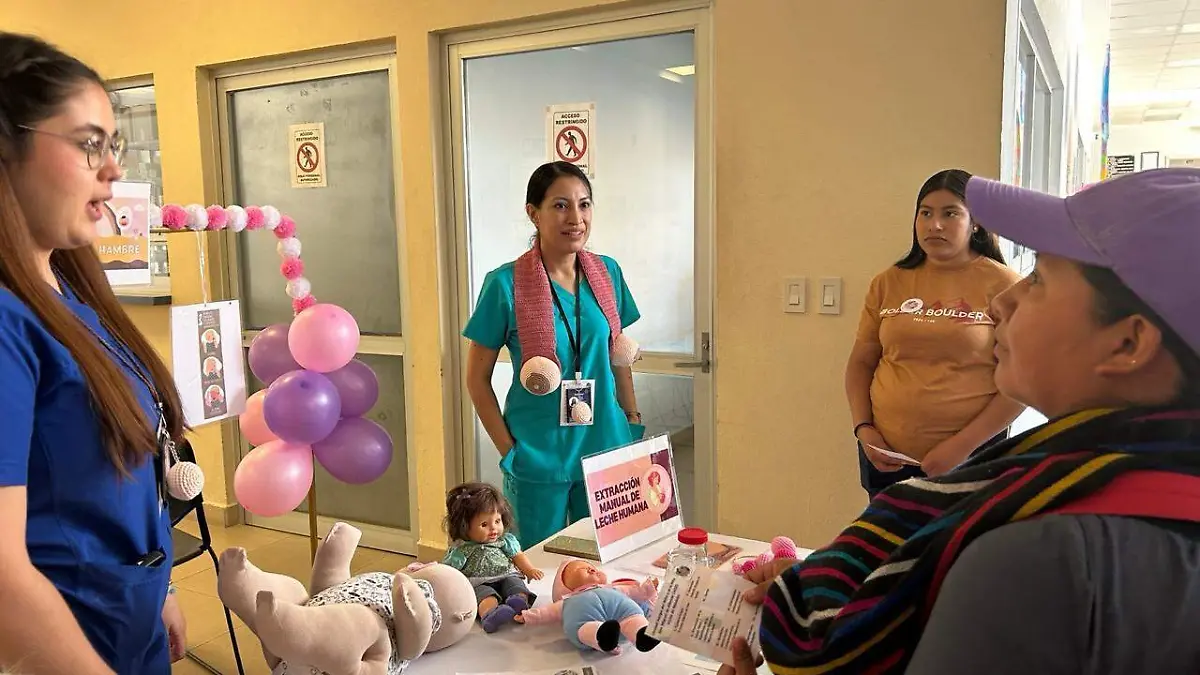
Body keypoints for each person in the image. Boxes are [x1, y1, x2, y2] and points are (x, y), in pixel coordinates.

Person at [720, 168, 1200, 675]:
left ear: (1127, 343)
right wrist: (827, 587)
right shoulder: (1099, 483)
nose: (1003, 302)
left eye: (1039, 278)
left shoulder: (1031, 558)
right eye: (926, 212)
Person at [0, 33, 188, 674]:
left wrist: (159, 583)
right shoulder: (7, 323)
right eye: (89, 145)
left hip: (126, 615)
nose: (113, 171)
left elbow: (119, 483)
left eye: (115, 146)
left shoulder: (71, 293)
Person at [464, 161, 642, 549]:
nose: (576, 218)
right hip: (539, 453)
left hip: (605, 445)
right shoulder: (505, 284)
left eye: (584, 204)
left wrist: (631, 420)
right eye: (560, 205)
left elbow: (617, 356)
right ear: (534, 213)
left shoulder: (607, 273)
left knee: (604, 563)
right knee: (538, 566)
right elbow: (476, 379)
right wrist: (511, 451)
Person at [845, 169, 1025, 496]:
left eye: (950, 213)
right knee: (886, 531)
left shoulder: (1005, 286)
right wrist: (863, 429)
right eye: (925, 213)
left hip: (972, 458)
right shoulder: (888, 282)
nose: (935, 225)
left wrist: (962, 446)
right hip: (886, 457)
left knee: (964, 533)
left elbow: (1022, 382)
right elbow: (861, 362)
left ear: (976, 222)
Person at [440, 482, 543, 633]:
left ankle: (519, 602)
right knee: (485, 596)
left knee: (515, 584)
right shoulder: (461, 551)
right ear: (464, 527)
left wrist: (529, 570)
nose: (493, 528)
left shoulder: (505, 541)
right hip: (478, 582)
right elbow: (449, 572)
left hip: (505, 574)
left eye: (497, 521)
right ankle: (490, 614)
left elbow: (517, 555)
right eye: (484, 524)